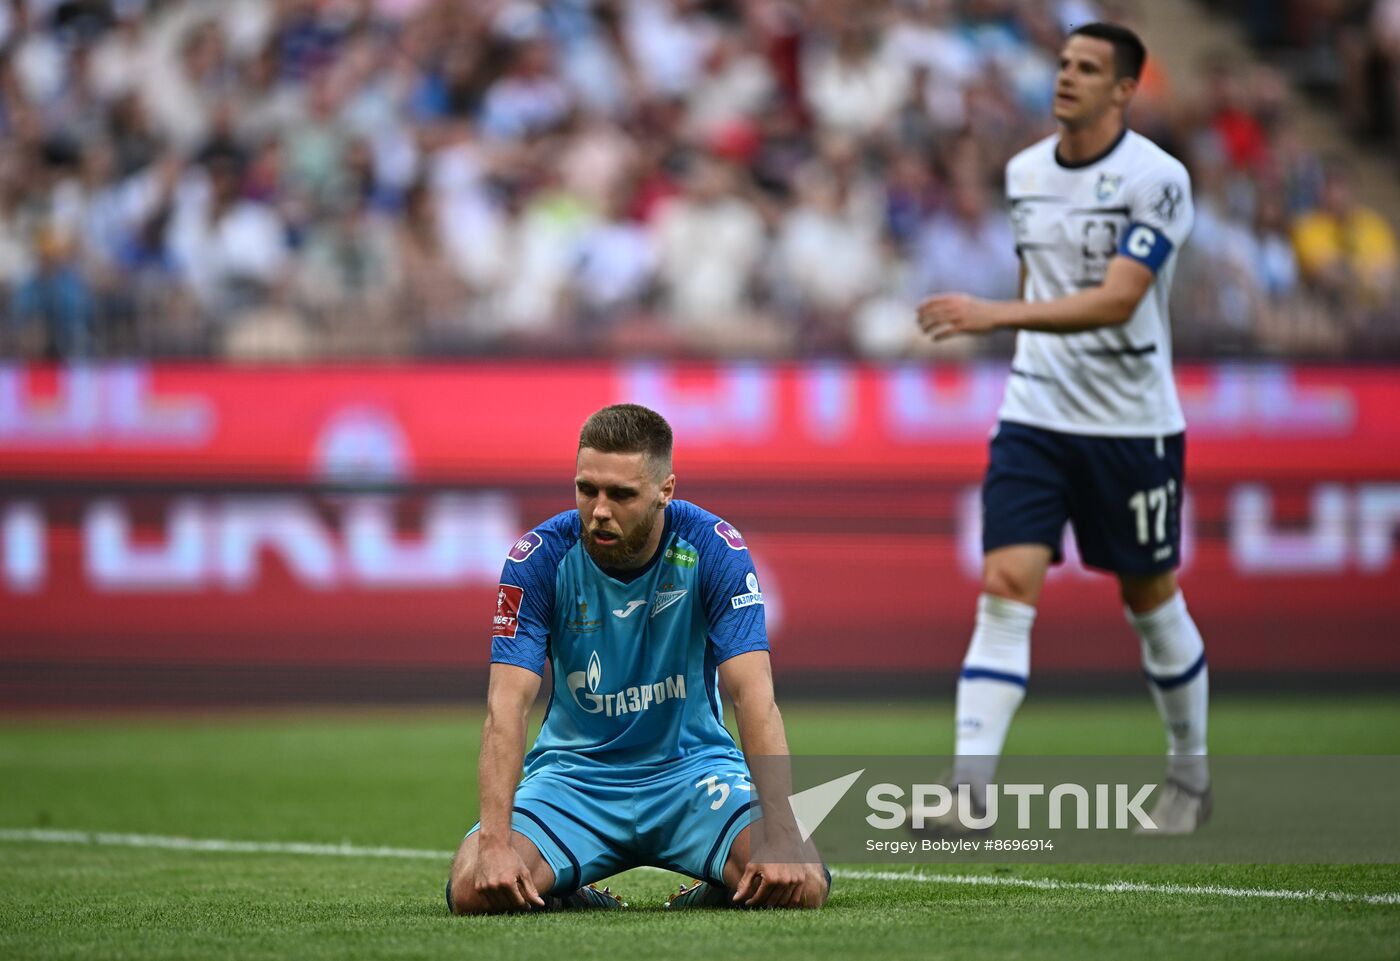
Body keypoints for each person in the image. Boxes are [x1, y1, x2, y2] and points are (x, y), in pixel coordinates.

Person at [915, 23, 1209, 834]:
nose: (1068, 77)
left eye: (1089, 68)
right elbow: (1037, 277)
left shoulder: (1159, 179)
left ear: (1124, 90)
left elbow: (1118, 298)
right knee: (1006, 588)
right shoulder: (1024, 172)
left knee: (1149, 598)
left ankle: (1190, 771)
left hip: (1131, 424)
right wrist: (1011, 322)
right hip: (1035, 414)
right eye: (1063, 64)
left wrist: (994, 315)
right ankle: (968, 790)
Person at [447, 404, 829, 913]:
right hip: (574, 778)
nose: (599, 510)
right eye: (587, 490)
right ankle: (577, 898)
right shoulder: (538, 558)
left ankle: (710, 895)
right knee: (476, 889)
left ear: (665, 490)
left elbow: (754, 697)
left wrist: (781, 836)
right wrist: (495, 846)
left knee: (801, 881)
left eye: (621, 494)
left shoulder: (713, 549)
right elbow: (506, 707)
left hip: (692, 774)